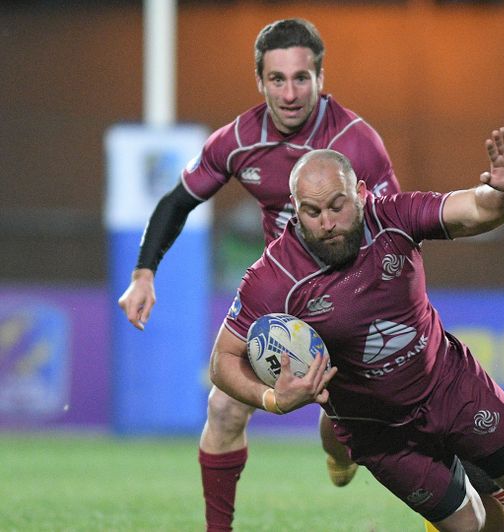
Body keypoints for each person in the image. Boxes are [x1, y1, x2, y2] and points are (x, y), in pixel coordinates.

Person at [210, 127, 504, 531]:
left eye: (337, 206)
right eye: (312, 212)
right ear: (294, 210)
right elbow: (222, 359)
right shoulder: (274, 276)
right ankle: (340, 455)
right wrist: (271, 399)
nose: (328, 223)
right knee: (467, 522)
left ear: (360, 192)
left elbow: (480, 209)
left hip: (450, 387)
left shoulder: (393, 216)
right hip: (377, 431)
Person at [116, 18, 401, 531]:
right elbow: (178, 201)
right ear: (260, 81)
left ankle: (341, 448)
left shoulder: (357, 143)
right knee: (224, 409)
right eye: (277, 79)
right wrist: (144, 272)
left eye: (301, 78)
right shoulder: (239, 141)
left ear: (320, 78)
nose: (289, 94)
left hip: (353, 297)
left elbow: (395, 231)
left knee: (344, 432)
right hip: (284, 297)